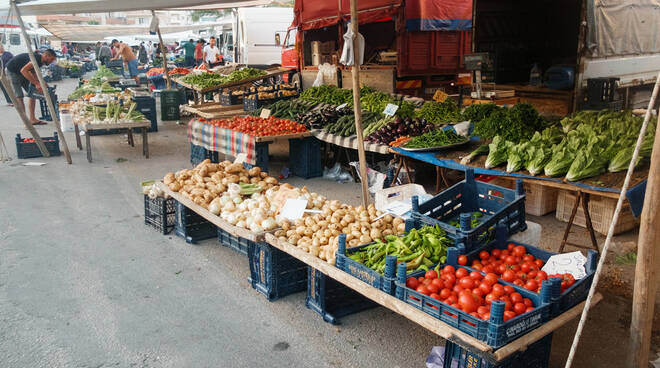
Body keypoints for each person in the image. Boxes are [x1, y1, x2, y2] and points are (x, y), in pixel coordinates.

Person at [6, 49, 57, 125]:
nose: (51, 62)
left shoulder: (40, 61)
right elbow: (24, 70)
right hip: (13, 72)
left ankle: (32, 119)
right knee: (20, 97)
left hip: (22, 72)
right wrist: (36, 83)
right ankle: (26, 122)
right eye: (51, 59)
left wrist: (41, 82)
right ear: (46, 56)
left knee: (32, 94)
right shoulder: (36, 59)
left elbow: (33, 72)